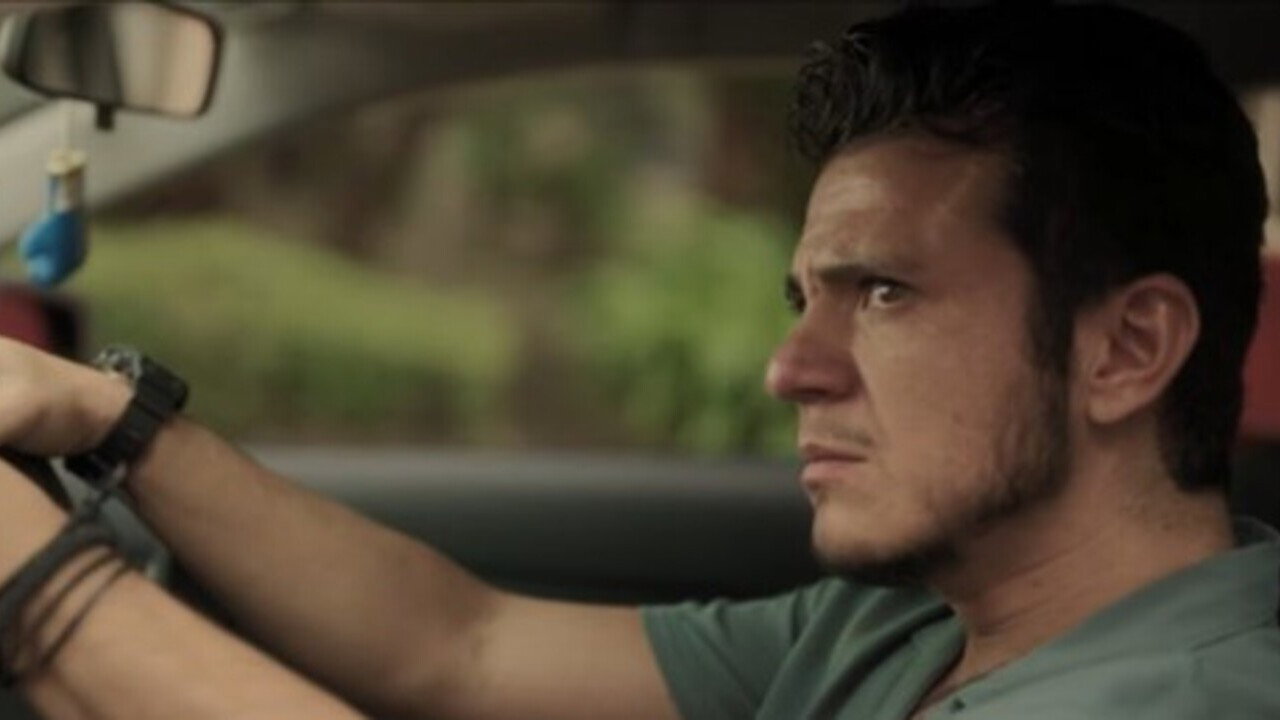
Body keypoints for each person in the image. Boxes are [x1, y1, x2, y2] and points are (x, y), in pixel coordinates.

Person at [0, 1, 1272, 718]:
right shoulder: (908, 629)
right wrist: (110, 418)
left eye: (882, 292)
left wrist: (40, 589)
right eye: (803, 300)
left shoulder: (1177, 701)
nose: (790, 368)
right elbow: (459, 645)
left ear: (1126, 350)